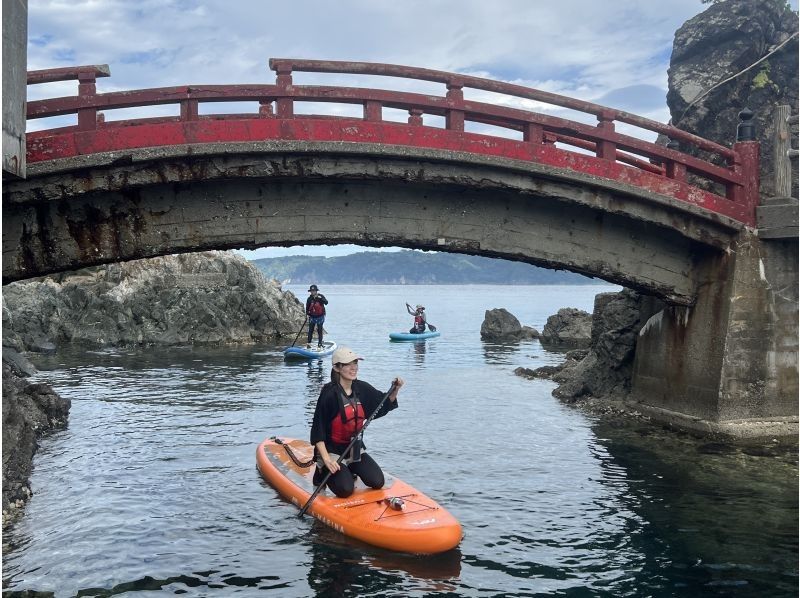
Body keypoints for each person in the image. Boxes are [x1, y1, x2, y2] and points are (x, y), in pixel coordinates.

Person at [310, 346, 404, 498]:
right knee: (346, 490)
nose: (353, 367)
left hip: (353, 449)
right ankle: (320, 471)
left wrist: (395, 389)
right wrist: (326, 460)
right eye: (348, 364)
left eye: (355, 363)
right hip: (331, 451)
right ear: (337, 367)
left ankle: (349, 468)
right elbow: (317, 432)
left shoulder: (362, 389)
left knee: (377, 481)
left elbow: (383, 404)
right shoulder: (329, 395)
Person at [305, 284, 328, 349]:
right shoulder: (309, 299)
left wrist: (321, 299)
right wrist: (307, 315)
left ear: (316, 291)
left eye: (314, 291)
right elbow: (307, 308)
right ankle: (309, 344)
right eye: (311, 291)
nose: (312, 292)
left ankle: (319, 344)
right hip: (312, 317)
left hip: (320, 316)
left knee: (319, 330)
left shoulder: (321, 296)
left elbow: (326, 302)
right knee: (310, 330)